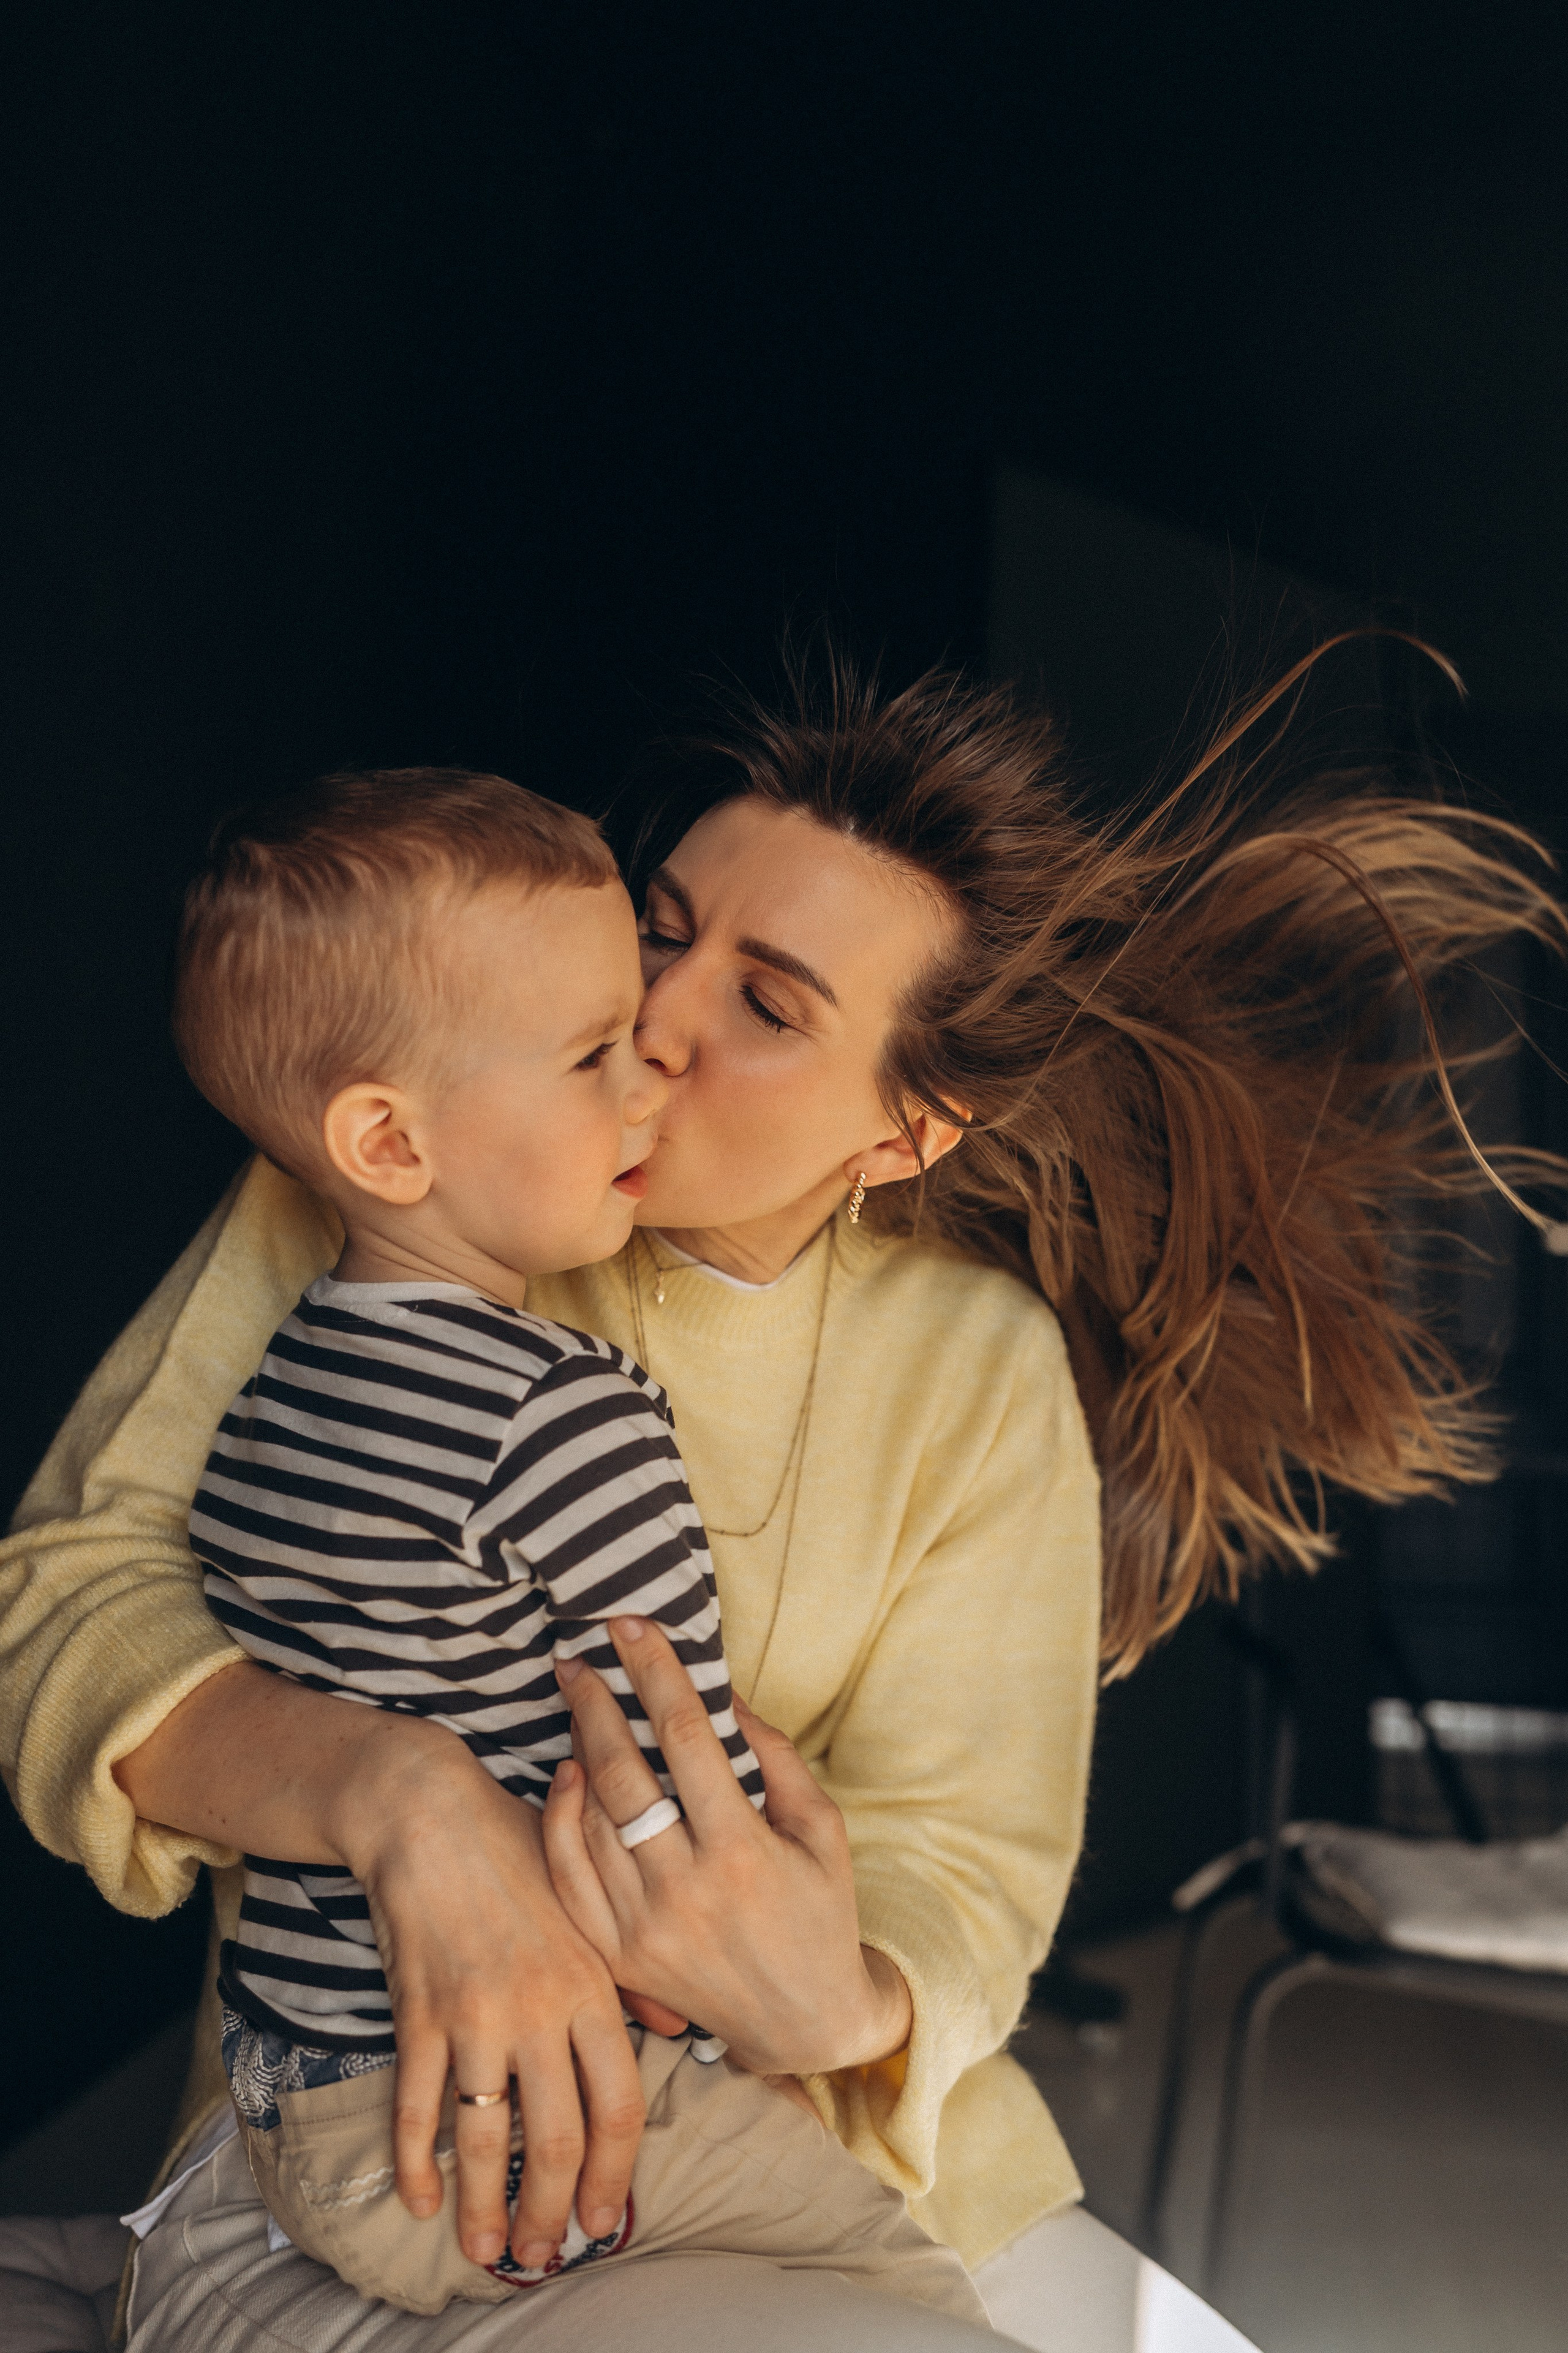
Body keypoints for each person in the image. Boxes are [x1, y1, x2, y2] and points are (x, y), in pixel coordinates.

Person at [2, 649, 1561, 2352]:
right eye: (661, 928)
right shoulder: (405, 1169)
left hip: (834, 2162)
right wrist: (400, 1799)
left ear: (906, 1130)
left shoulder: (977, 1368)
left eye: (766, 1003)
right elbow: (66, 1593)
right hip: (382, 2144)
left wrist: (843, 1997)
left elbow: (967, 1850)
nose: (654, 1017)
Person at [170, 763, 979, 2321]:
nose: (646, 1073)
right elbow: (683, 1792)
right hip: (490, 2116)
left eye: (759, 1003)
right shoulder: (567, 1416)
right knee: (898, 2278)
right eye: (594, 1048)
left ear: (905, 1135)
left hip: (287, 2087)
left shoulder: (276, 1384)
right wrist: (739, 2030)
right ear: (388, 1143)